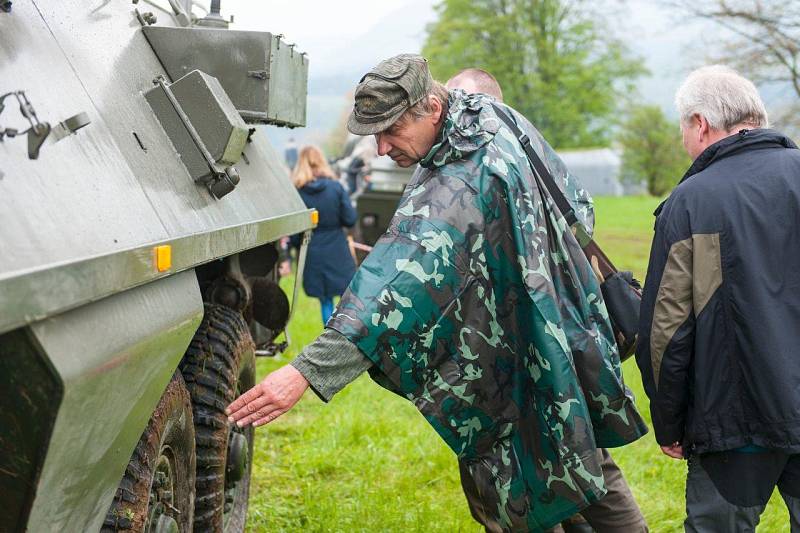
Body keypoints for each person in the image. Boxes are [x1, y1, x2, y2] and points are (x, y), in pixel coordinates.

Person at [228, 54, 647, 532]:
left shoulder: (463, 173)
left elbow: (392, 285)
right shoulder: (492, 116)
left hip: (517, 356)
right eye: (374, 135)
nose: (382, 148)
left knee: (518, 479)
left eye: (391, 131)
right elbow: (579, 209)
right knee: (579, 455)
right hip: (561, 328)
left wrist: (304, 373)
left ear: (431, 106)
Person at [446, 68, 646, 533]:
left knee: (574, 464)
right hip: (538, 346)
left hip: (541, 348)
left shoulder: (497, 167)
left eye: (464, 102)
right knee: (576, 462)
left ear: (489, 105)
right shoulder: (528, 158)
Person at [636, 65, 800, 531]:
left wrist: (668, 420)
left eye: (683, 127)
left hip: (733, 422)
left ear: (701, 123)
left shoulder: (692, 201)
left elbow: (665, 331)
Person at [290, 145, 357, 325]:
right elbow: (350, 219)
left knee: (325, 300)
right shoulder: (336, 188)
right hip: (338, 251)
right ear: (321, 161)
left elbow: (295, 233)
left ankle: (329, 339)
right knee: (346, 300)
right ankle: (347, 337)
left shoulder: (297, 193)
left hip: (313, 252)